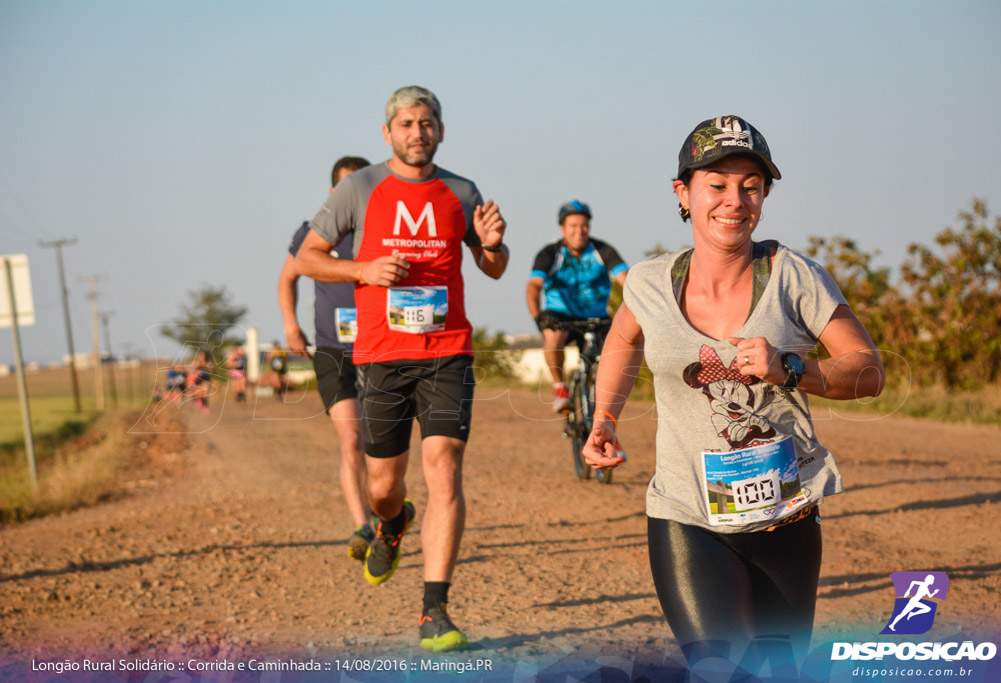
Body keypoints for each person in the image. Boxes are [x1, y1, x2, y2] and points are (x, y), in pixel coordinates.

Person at [583, 115, 885, 660]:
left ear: (765, 194)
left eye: (751, 186)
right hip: (686, 514)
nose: (735, 201)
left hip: (783, 516)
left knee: (778, 668)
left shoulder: (795, 276)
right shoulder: (650, 281)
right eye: (717, 184)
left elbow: (867, 370)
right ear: (684, 192)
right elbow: (622, 340)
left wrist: (793, 369)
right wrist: (604, 417)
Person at [295, 85, 508, 652]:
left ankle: (434, 612)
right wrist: (363, 269)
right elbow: (307, 258)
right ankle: (392, 522)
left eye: (428, 121)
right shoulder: (358, 188)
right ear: (387, 132)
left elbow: (492, 269)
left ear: (440, 129)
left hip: (447, 350)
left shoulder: (462, 191)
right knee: (383, 485)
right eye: (407, 123)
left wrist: (492, 246)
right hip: (382, 355)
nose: (419, 131)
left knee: (445, 466)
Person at [277, 154, 377, 562]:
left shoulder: (380, 231)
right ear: (333, 191)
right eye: (348, 186)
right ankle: (363, 526)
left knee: (378, 442)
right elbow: (288, 277)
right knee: (351, 440)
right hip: (332, 349)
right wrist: (290, 326)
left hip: (378, 347)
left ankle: (386, 510)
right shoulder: (312, 233)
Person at [527, 200, 628, 412]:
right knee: (553, 336)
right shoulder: (550, 253)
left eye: (584, 226)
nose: (579, 231)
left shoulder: (602, 250)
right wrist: (538, 317)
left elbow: (625, 279)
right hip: (560, 314)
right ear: (562, 228)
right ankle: (560, 388)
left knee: (610, 363)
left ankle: (600, 420)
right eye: (573, 226)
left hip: (597, 316)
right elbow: (534, 286)